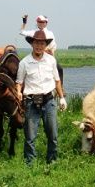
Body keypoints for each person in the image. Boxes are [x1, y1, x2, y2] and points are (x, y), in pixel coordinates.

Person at [16, 30, 67, 165]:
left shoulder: (51, 60)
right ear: (32, 44)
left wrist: (62, 98)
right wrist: (19, 92)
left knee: (53, 134)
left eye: (42, 43)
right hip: (31, 102)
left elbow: (57, 81)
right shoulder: (24, 62)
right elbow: (19, 82)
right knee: (30, 137)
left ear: (45, 45)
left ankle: (52, 162)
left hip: (49, 101)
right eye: (36, 43)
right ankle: (30, 164)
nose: (39, 46)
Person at [20, 14, 64, 84]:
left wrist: (52, 54)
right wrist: (24, 22)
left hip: (48, 54)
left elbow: (53, 45)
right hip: (36, 54)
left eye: (43, 22)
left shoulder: (50, 33)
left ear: (46, 23)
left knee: (59, 69)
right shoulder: (34, 32)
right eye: (39, 22)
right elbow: (22, 32)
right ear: (37, 23)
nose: (41, 24)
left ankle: (61, 87)